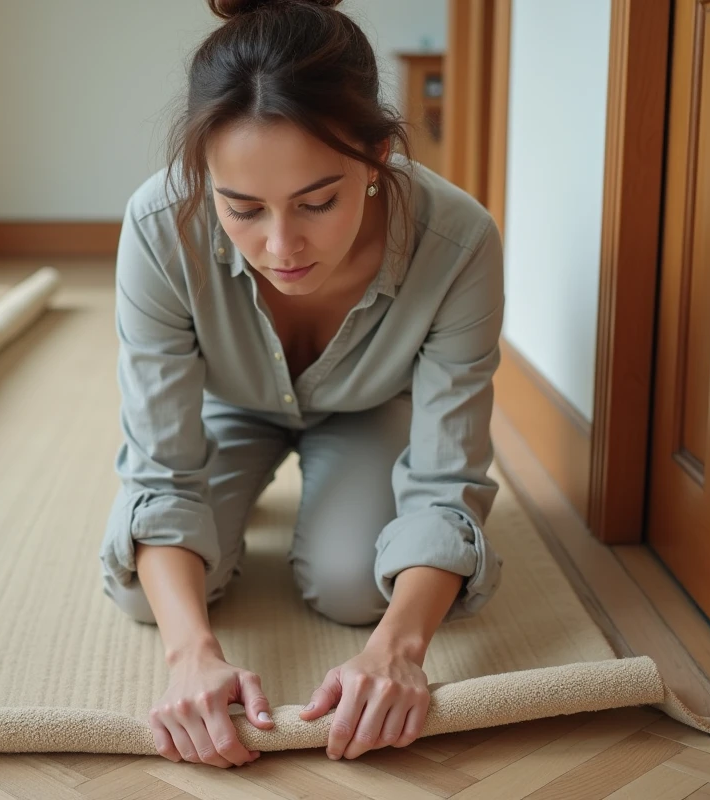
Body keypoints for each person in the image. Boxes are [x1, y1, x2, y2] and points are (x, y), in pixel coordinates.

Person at [99, 0, 504, 769]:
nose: (280, 247)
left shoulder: (459, 242)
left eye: (318, 202)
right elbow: (159, 470)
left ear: (379, 155)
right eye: (242, 209)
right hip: (227, 405)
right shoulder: (158, 227)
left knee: (359, 589)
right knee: (143, 594)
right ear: (202, 176)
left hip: (370, 411)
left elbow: (448, 482)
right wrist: (192, 656)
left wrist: (399, 652)